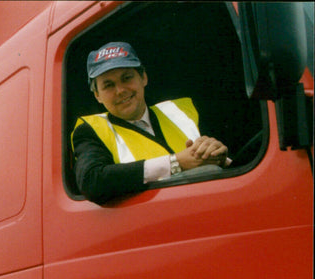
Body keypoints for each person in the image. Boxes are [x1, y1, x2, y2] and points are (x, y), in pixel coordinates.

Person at [72, 41, 229, 204]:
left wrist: (220, 157)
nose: (120, 90)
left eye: (126, 78)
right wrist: (176, 163)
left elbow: (232, 165)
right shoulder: (90, 130)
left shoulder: (183, 110)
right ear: (97, 95)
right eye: (108, 85)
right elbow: (91, 181)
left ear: (143, 78)